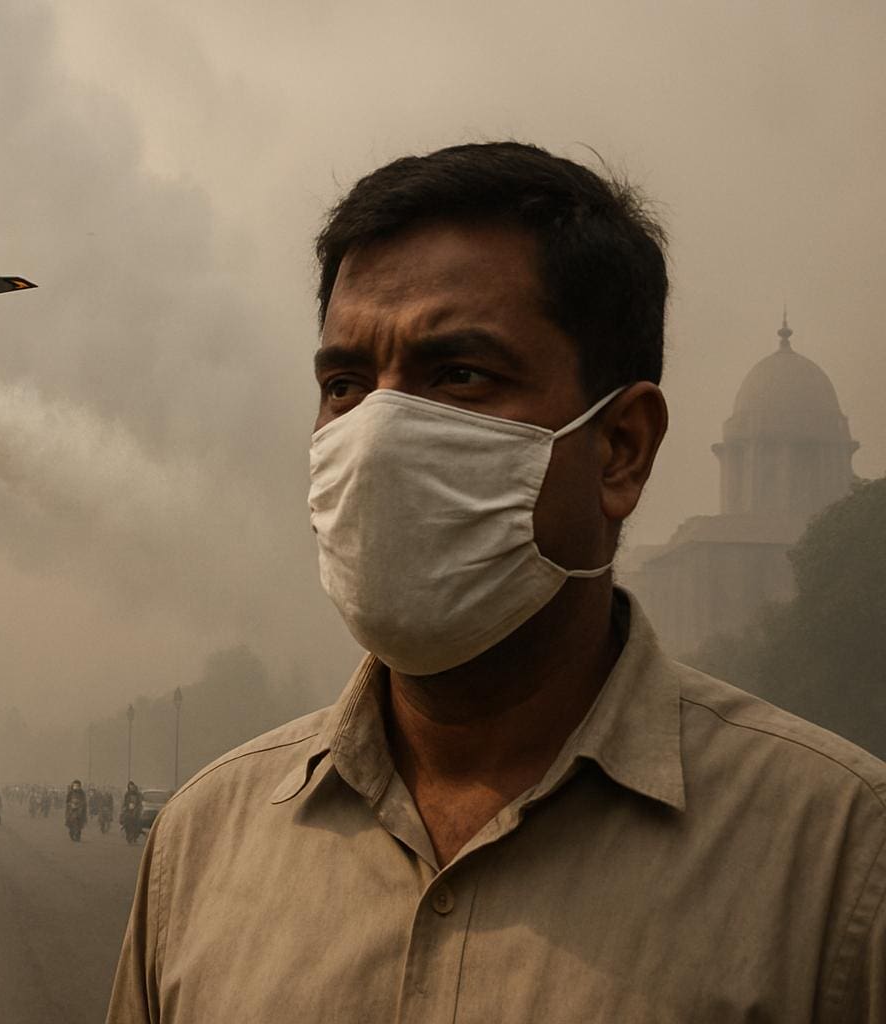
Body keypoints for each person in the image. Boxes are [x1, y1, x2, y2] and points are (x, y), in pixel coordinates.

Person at [107, 142, 886, 1023]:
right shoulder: (203, 840)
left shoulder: (839, 862)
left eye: (460, 376)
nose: (379, 434)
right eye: (345, 384)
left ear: (622, 448)